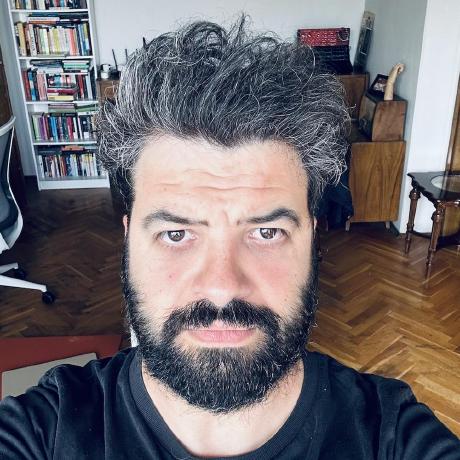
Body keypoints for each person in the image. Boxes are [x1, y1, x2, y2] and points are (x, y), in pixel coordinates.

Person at [1, 17, 459, 460]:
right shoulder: (44, 431)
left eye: (266, 232)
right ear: (128, 242)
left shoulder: (389, 435)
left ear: (313, 241)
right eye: (176, 233)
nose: (222, 287)